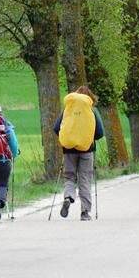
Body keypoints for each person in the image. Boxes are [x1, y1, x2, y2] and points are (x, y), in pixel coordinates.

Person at [53, 86, 104, 221]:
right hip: (87, 150)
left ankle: (68, 197)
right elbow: (100, 133)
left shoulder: (67, 110)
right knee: (85, 179)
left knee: (70, 177)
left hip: (69, 149)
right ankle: (85, 212)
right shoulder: (91, 111)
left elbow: (56, 128)